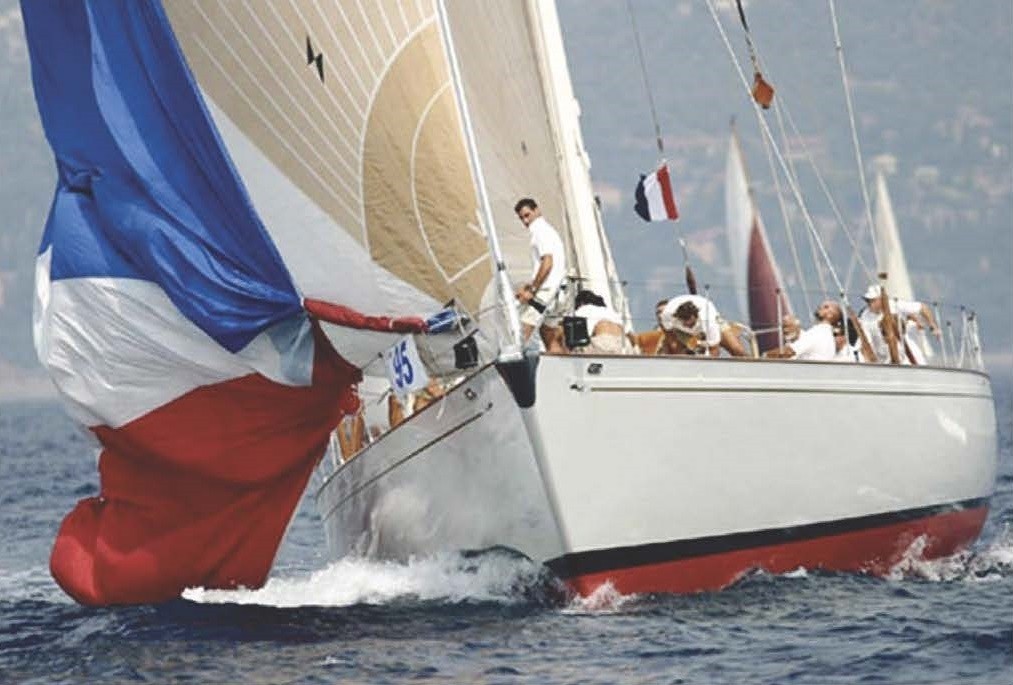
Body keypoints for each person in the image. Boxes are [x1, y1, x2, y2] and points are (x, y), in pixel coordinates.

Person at [514, 198, 567, 353]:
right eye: (521, 218)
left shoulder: (539, 230)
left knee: (523, 328)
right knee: (548, 332)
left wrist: (532, 290)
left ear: (537, 210)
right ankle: (560, 364)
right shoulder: (549, 230)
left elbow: (547, 263)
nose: (525, 221)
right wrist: (530, 285)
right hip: (559, 290)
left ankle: (514, 357)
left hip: (546, 291)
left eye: (527, 215)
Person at [858, 284, 940, 364]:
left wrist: (933, 326)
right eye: (867, 301)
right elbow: (865, 341)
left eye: (872, 300)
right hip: (885, 358)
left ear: (881, 299)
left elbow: (922, 308)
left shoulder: (895, 305)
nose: (869, 303)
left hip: (907, 354)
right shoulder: (865, 317)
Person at [658, 294, 747, 357]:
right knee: (674, 349)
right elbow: (669, 335)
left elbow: (714, 350)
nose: (689, 327)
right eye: (685, 324)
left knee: (737, 350)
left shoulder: (709, 320)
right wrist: (679, 351)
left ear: (696, 317)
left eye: (691, 324)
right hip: (681, 331)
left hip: (712, 323)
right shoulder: (667, 316)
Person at [766, 300, 842, 361]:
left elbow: (789, 352)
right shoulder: (828, 336)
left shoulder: (818, 332)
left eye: (826, 307)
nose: (820, 307)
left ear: (830, 315)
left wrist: (764, 356)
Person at [571, 289, 627, 354]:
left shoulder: (583, 309)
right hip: (624, 346)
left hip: (602, 344)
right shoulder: (610, 312)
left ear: (581, 303)